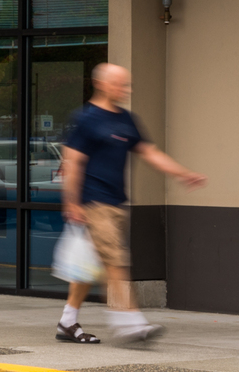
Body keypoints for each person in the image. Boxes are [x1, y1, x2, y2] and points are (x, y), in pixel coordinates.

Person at [56, 63, 206, 345]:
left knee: (88, 267)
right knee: (116, 261)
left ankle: (67, 321)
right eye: (121, 85)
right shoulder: (86, 118)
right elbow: (73, 161)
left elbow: (149, 153)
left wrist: (182, 174)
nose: (127, 90)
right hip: (93, 202)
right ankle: (129, 323)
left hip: (116, 204)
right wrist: (72, 202)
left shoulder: (126, 119)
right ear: (101, 84)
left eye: (127, 85)